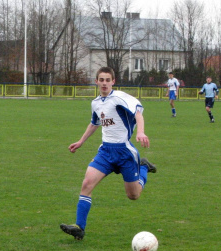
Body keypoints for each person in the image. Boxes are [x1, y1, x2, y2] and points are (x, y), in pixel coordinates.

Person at [60, 66, 157, 240]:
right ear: (96, 81)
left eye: (107, 80)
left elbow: (138, 113)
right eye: (101, 80)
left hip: (125, 152)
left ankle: (143, 167)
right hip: (105, 152)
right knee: (87, 184)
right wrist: (81, 141)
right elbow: (94, 123)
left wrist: (140, 132)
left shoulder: (119, 98)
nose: (104, 83)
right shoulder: (96, 103)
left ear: (113, 81)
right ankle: (79, 227)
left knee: (133, 195)